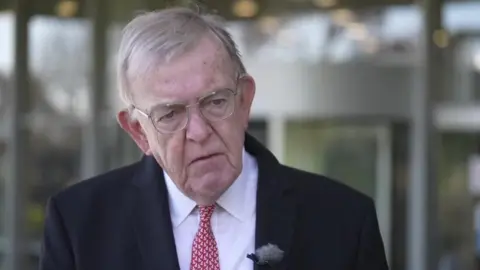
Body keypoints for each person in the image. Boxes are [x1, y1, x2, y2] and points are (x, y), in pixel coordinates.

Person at [39, 6, 389, 270]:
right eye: (170, 114)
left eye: (215, 102)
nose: (199, 132)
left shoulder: (342, 221)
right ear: (137, 131)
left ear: (244, 100)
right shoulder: (79, 225)